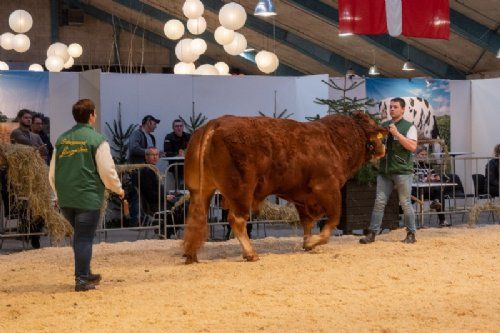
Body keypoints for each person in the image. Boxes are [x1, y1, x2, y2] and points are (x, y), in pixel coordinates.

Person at [49, 99, 124, 292]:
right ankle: (81, 279)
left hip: (67, 199)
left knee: (80, 237)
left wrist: (58, 194)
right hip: (87, 197)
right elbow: (107, 171)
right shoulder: (97, 140)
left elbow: (53, 172)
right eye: (95, 113)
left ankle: (85, 272)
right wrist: (118, 189)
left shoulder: (61, 139)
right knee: (83, 239)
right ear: (91, 115)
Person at [360, 97, 418, 244]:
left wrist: (397, 134)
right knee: (379, 202)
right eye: (390, 107)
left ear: (403, 109)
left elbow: (412, 147)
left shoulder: (409, 127)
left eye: (395, 107)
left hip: (402, 171)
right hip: (384, 171)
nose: (392, 109)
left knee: (405, 203)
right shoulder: (384, 126)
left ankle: (411, 234)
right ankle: (372, 233)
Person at [10, 109, 48, 249]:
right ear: (20, 118)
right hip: (21, 176)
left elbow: (45, 151)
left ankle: (35, 235)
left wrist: (39, 150)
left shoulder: (35, 135)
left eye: (30, 118)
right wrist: (38, 149)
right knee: (27, 205)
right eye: (26, 118)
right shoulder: (16, 133)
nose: (28, 120)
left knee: (40, 205)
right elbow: (28, 144)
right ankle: (27, 233)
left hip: (36, 176)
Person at [139, 147, 181, 238]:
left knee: (179, 201)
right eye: (152, 155)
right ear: (146, 157)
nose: (155, 157)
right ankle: (167, 232)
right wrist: (165, 197)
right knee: (181, 207)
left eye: (157, 155)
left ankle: (168, 231)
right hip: (153, 204)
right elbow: (150, 194)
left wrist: (167, 195)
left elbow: (158, 190)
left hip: (159, 200)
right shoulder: (146, 171)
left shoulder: (152, 169)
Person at [127, 115, 160, 226]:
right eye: (154, 123)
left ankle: (145, 220)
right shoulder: (137, 134)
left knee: (146, 195)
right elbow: (133, 148)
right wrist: (148, 152)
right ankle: (136, 222)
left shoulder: (152, 137)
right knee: (137, 195)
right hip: (137, 170)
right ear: (148, 122)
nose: (156, 126)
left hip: (147, 171)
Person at [413, 148, 451, 227]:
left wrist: (436, 177)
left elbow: (433, 174)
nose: (424, 156)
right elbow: (414, 178)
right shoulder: (413, 165)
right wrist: (427, 179)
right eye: (422, 155)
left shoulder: (428, 165)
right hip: (417, 190)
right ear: (416, 155)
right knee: (438, 192)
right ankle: (436, 202)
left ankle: (442, 220)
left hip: (429, 189)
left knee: (440, 194)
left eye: (425, 155)